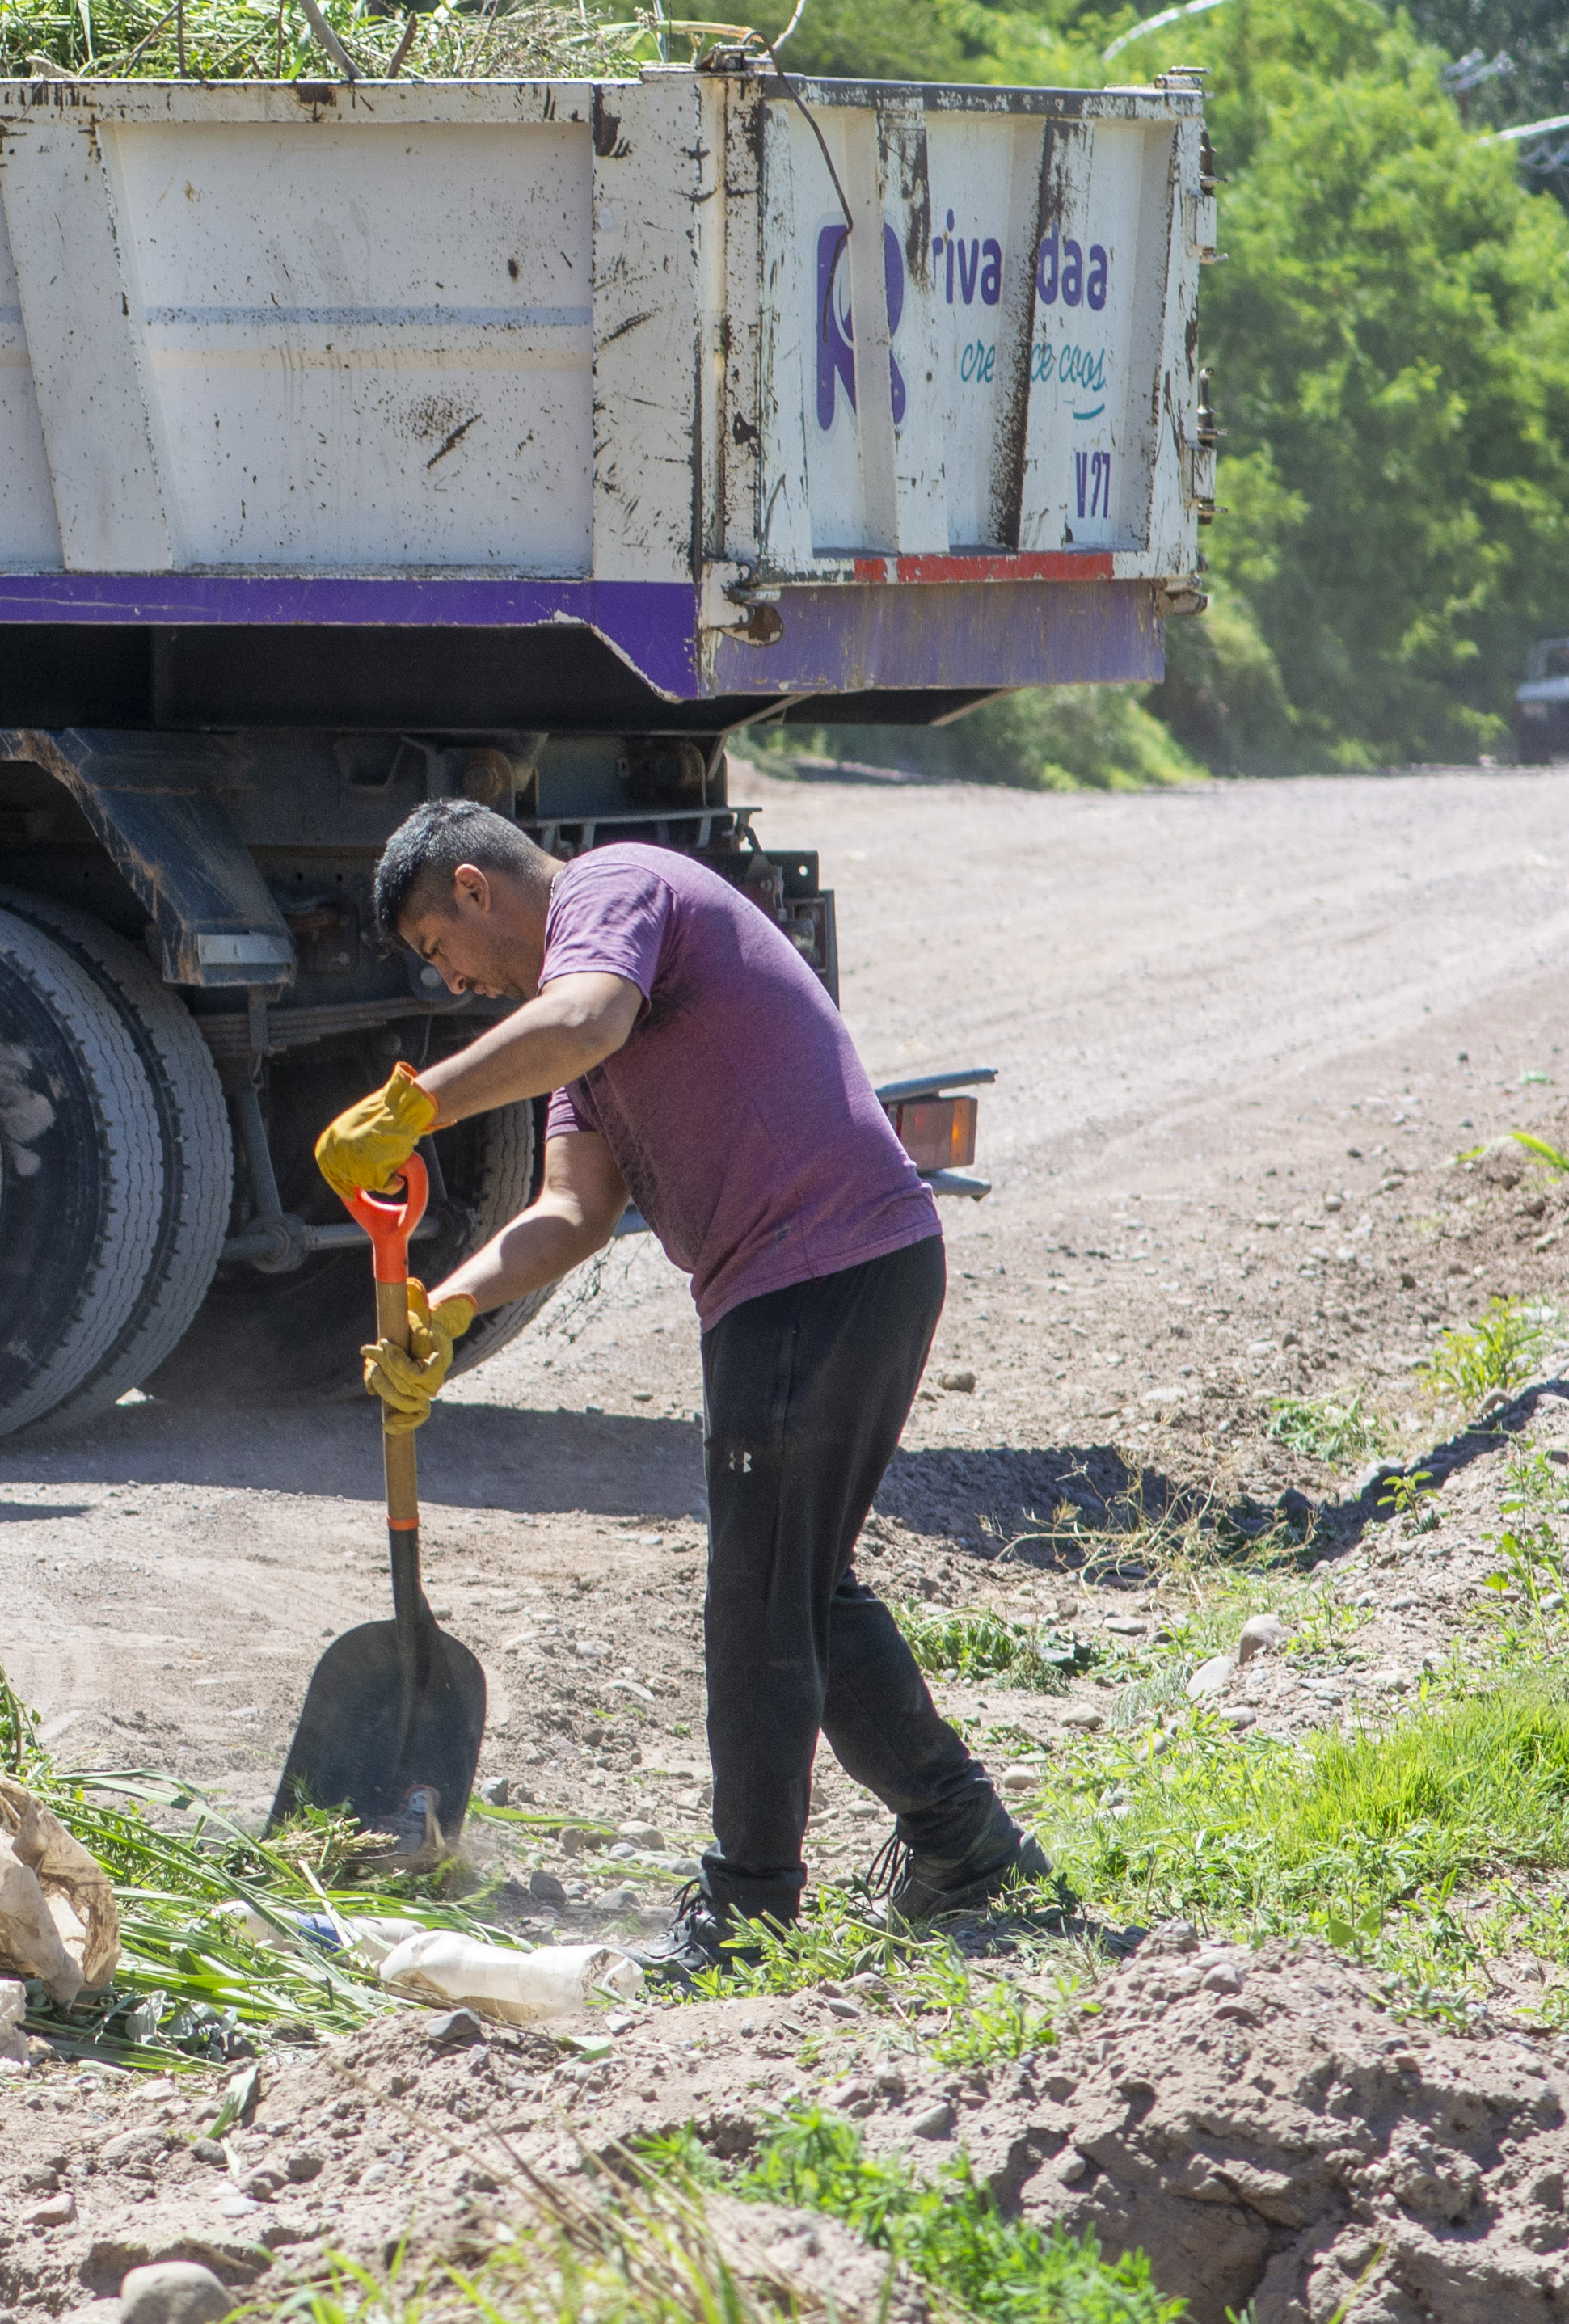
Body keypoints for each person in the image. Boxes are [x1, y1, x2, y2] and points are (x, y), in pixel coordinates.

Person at [314, 796, 1040, 1981]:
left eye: (442, 952)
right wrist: (444, 1308)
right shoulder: (577, 1030)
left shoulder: (611, 896)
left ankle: (744, 1919)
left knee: (757, 1608)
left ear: (473, 888)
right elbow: (571, 1211)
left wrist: (418, 1105)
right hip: (830, 1276)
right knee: (803, 1594)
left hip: (822, 1270)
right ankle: (967, 1847)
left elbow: (585, 1018)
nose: (454, 986)